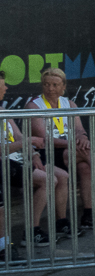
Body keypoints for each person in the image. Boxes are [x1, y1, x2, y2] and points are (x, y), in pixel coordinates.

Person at [27, 67, 95, 227]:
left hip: (69, 149)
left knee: (86, 166)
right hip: (47, 152)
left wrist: (83, 138)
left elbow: (79, 129)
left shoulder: (69, 104)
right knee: (83, 151)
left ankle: (89, 215)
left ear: (63, 87)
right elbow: (45, 139)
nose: (50, 88)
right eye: (46, 84)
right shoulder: (34, 106)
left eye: (55, 85)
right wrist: (74, 143)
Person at [2, 71, 71, 249]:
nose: (6, 87)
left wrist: (33, 154)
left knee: (61, 175)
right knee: (47, 180)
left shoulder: (3, 111)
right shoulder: (34, 105)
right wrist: (28, 141)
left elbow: (18, 136)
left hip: (20, 159)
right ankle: (31, 231)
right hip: (5, 163)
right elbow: (14, 144)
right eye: (3, 84)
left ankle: (61, 223)